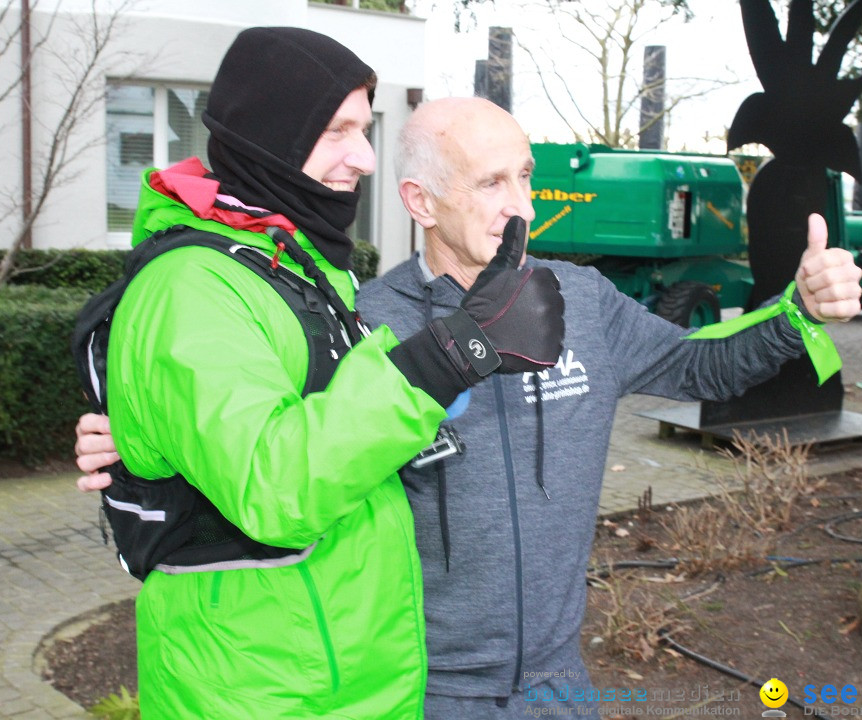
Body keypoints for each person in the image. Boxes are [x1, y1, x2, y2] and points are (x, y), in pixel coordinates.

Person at [78, 96, 862, 716]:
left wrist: (799, 309)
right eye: (492, 183)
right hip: (422, 691)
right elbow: (275, 456)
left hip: (561, 686)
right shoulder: (363, 321)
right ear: (420, 201)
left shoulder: (580, 299)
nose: (520, 205)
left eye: (525, 176)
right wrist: (140, 445)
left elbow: (706, 368)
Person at [83, 29, 564, 719]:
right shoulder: (191, 286)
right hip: (260, 693)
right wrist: (447, 358)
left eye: (364, 131)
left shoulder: (299, 261)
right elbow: (277, 489)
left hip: (343, 680)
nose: (364, 158)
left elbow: (327, 426)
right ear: (271, 133)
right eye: (338, 131)